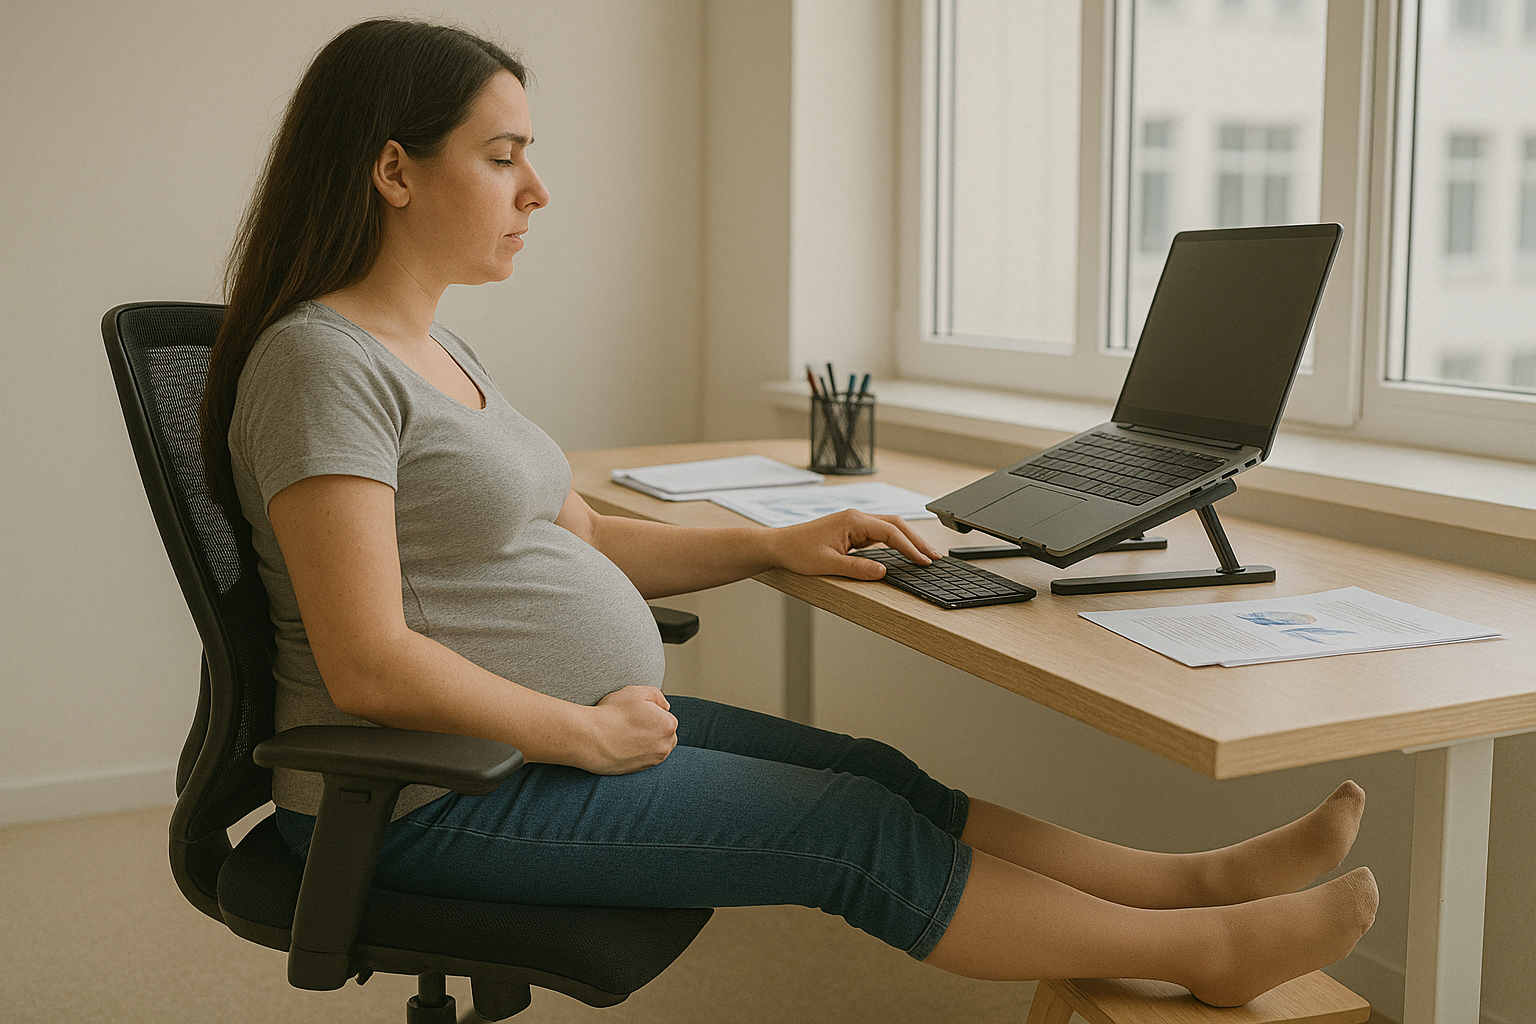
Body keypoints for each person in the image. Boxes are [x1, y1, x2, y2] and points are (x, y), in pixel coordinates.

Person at [198, 18, 1377, 1007]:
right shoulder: (320, 364)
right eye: (502, 157)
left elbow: (587, 539)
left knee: (877, 774)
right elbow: (367, 662)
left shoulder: (440, 348)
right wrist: (581, 736)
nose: (537, 189)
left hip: (531, 745)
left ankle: (1191, 883)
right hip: (432, 796)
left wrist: (775, 542)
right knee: (846, 830)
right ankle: (1205, 953)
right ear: (394, 170)